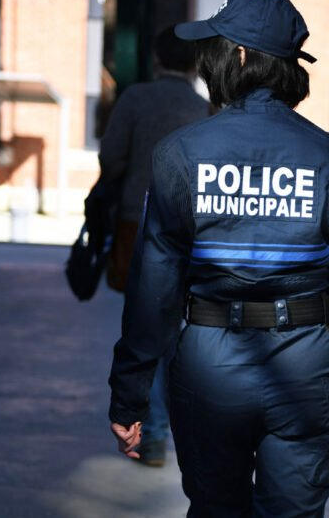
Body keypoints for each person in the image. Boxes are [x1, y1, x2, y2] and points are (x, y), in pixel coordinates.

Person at [108, 0, 329, 516]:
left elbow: (155, 285)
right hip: (309, 364)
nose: (204, 59)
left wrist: (130, 392)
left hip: (211, 364)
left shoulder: (181, 154)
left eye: (211, 46)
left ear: (237, 55)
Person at [99, 25, 210, 466]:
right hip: (192, 231)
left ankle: (155, 431)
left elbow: (111, 158)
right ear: (196, 65)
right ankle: (170, 428)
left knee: (147, 324)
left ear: (157, 59)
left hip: (137, 223)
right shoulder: (204, 109)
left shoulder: (136, 99)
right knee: (177, 328)